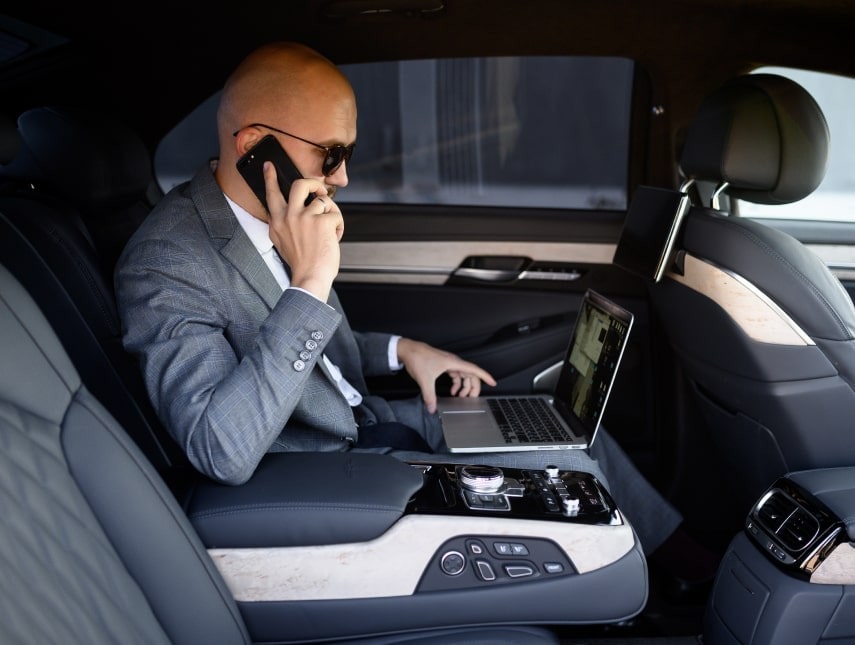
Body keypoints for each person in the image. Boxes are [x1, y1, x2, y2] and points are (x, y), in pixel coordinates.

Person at [115, 42, 715, 585]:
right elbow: (219, 445)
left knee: (570, 429)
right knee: (567, 462)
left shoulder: (281, 214)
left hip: (367, 416)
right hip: (329, 473)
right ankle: (640, 588)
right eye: (331, 154)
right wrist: (311, 280)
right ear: (252, 146)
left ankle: (682, 565)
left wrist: (402, 349)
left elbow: (305, 343)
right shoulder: (166, 261)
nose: (343, 177)